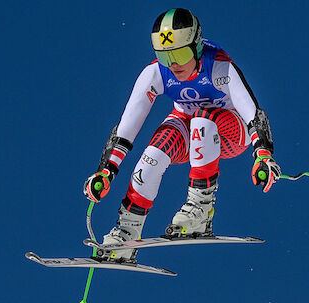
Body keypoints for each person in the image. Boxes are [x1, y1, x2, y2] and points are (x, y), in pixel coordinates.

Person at [82, 8, 281, 263]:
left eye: (180, 54)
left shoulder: (219, 67)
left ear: (196, 47)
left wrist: (263, 153)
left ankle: (200, 208)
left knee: (202, 118)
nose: (173, 64)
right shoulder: (155, 73)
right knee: (152, 154)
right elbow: (128, 125)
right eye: (165, 56)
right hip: (191, 130)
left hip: (232, 132)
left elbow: (253, 112)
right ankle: (127, 233)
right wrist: (106, 170)